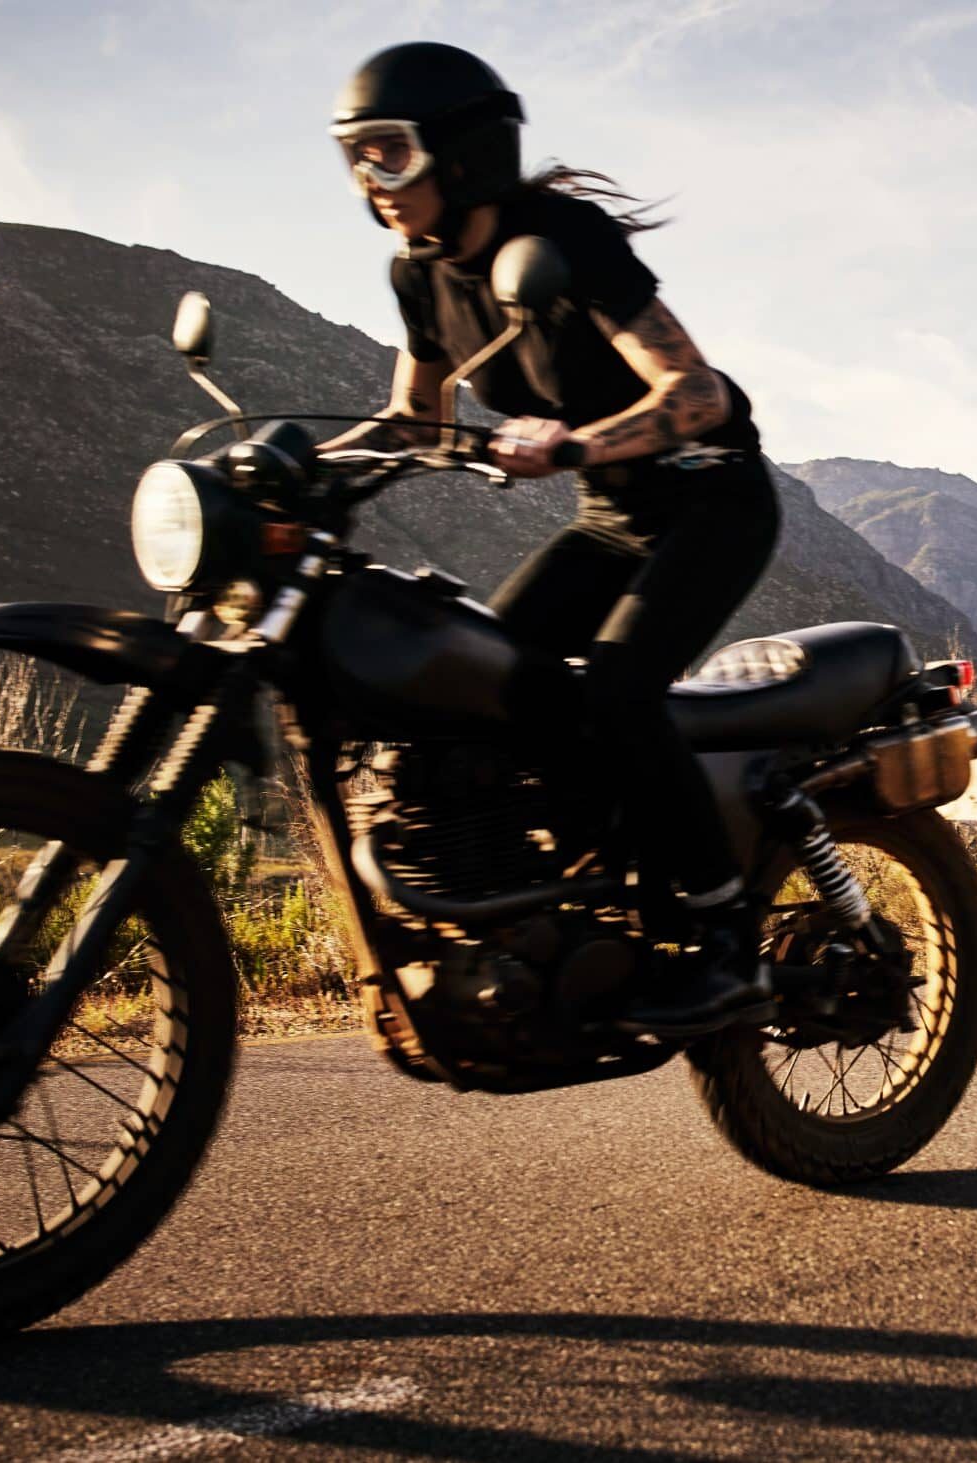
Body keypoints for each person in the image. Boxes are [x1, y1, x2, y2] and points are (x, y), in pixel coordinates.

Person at [327, 42, 781, 1035]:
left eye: (390, 152)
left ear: (462, 152)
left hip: (712, 498)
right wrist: (306, 467)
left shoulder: (563, 238)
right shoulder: (421, 274)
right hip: (614, 520)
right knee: (491, 680)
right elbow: (418, 420)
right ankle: (578, 893)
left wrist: (576, 443)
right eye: (355, 155)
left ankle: (725, 937)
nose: (372, 179)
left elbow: (696, 394)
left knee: (618, 689)